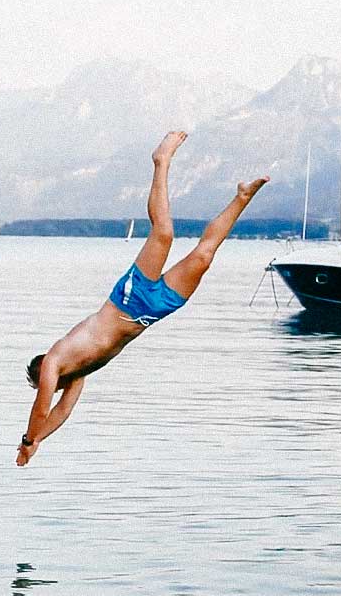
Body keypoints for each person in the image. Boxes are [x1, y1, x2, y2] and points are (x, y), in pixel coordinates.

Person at [16, 131, 269, 466]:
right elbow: (63, 412)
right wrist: (38, 444)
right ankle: (242, 197)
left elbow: (43, 408)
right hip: (149, 314)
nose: (49, 389)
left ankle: (161, 160)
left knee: (163, 233)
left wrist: (28, 440)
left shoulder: (54, 362)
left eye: (43, 386)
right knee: (203, 257)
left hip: (128, 301)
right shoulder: (78, 373)